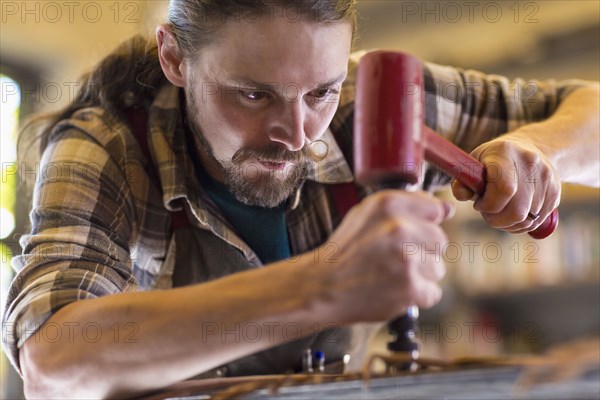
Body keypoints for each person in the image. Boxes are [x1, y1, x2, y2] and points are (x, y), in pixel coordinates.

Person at [3, 0, 599, 397]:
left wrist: (539, 151)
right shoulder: (106, 144)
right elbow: (55, 359)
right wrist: (322, 286)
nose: (299, 133)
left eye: (322, 91)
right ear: (175, 58)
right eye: (254, 95)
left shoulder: (374, 101)